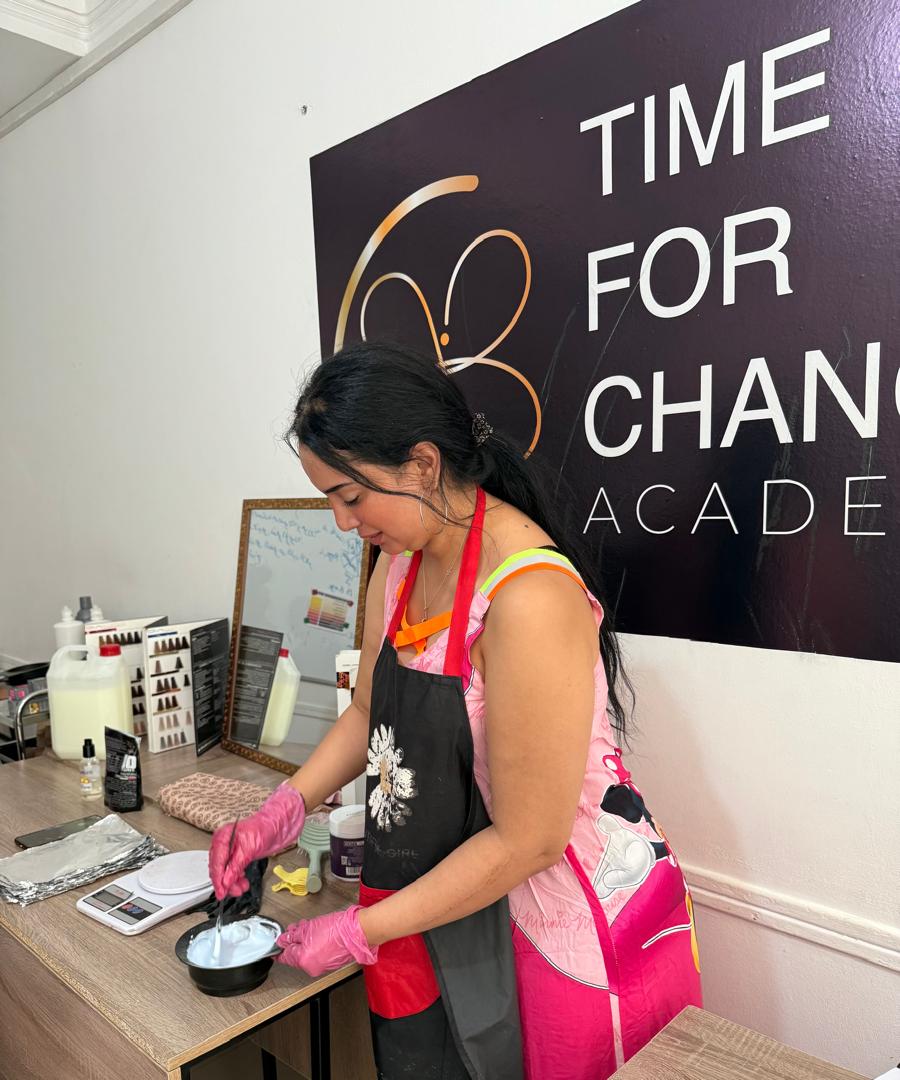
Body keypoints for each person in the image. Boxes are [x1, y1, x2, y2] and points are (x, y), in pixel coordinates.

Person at [209, 341, 702, 1080]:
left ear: (422, 465)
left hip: (566, 922)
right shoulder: (399, 563)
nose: (343, 523)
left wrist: (360, 929)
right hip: (464, 900)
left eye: (351, 497)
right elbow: (370, 712)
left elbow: (531, 839)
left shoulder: (528, 597)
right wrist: (283, 809)